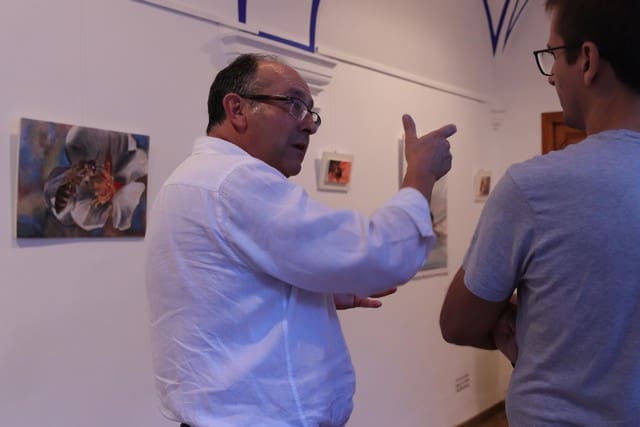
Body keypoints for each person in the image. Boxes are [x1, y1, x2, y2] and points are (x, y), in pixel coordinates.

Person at [146, 53, 455, 426]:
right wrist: (421, 174)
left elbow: (221, 298)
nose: (309, 125)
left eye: (311, 112)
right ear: (237, 109)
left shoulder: (193, 179)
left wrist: (307, 298)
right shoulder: (236, 180)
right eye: (293, 105)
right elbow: (379, 254)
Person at [439, 0, 640, 425]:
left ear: (588, 60)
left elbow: (458, 323)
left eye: (553, 54)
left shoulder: (533, 187)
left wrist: (530, 328)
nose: (550, 75)